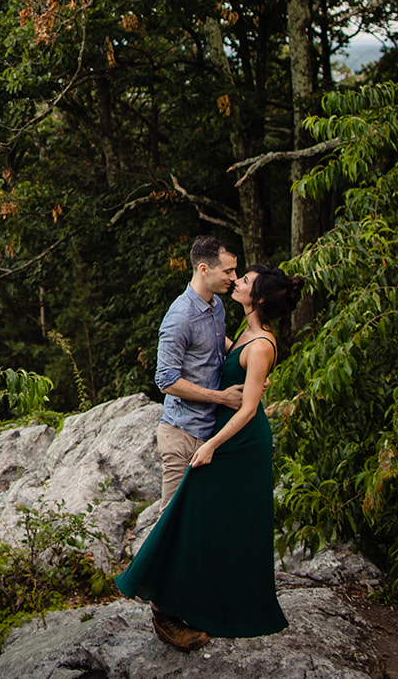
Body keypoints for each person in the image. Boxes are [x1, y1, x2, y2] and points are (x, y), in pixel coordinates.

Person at [116, 264, 307, 651]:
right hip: (219, 436)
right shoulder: (242, 331)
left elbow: (250, 409)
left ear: (260, 299)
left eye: (246, 281)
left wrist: (211, 445)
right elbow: (218, 356)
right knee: (197, 519)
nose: (237, 281)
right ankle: (176, 606)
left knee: (218, 522)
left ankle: (216, 606)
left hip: (239, 444)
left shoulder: (262, 345)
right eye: (238, 275)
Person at [154, 236, 245, 512]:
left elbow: (218, 343)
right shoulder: (180, 316)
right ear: (204, 269)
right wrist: (221, 398)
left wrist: (249, 362)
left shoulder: (216, 305)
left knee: (202, 522)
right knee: (171, 524)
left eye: (234, 270)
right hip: (182, 435)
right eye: (228, 271)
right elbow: (165, 380)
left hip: (209, 433)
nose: (234, 278)